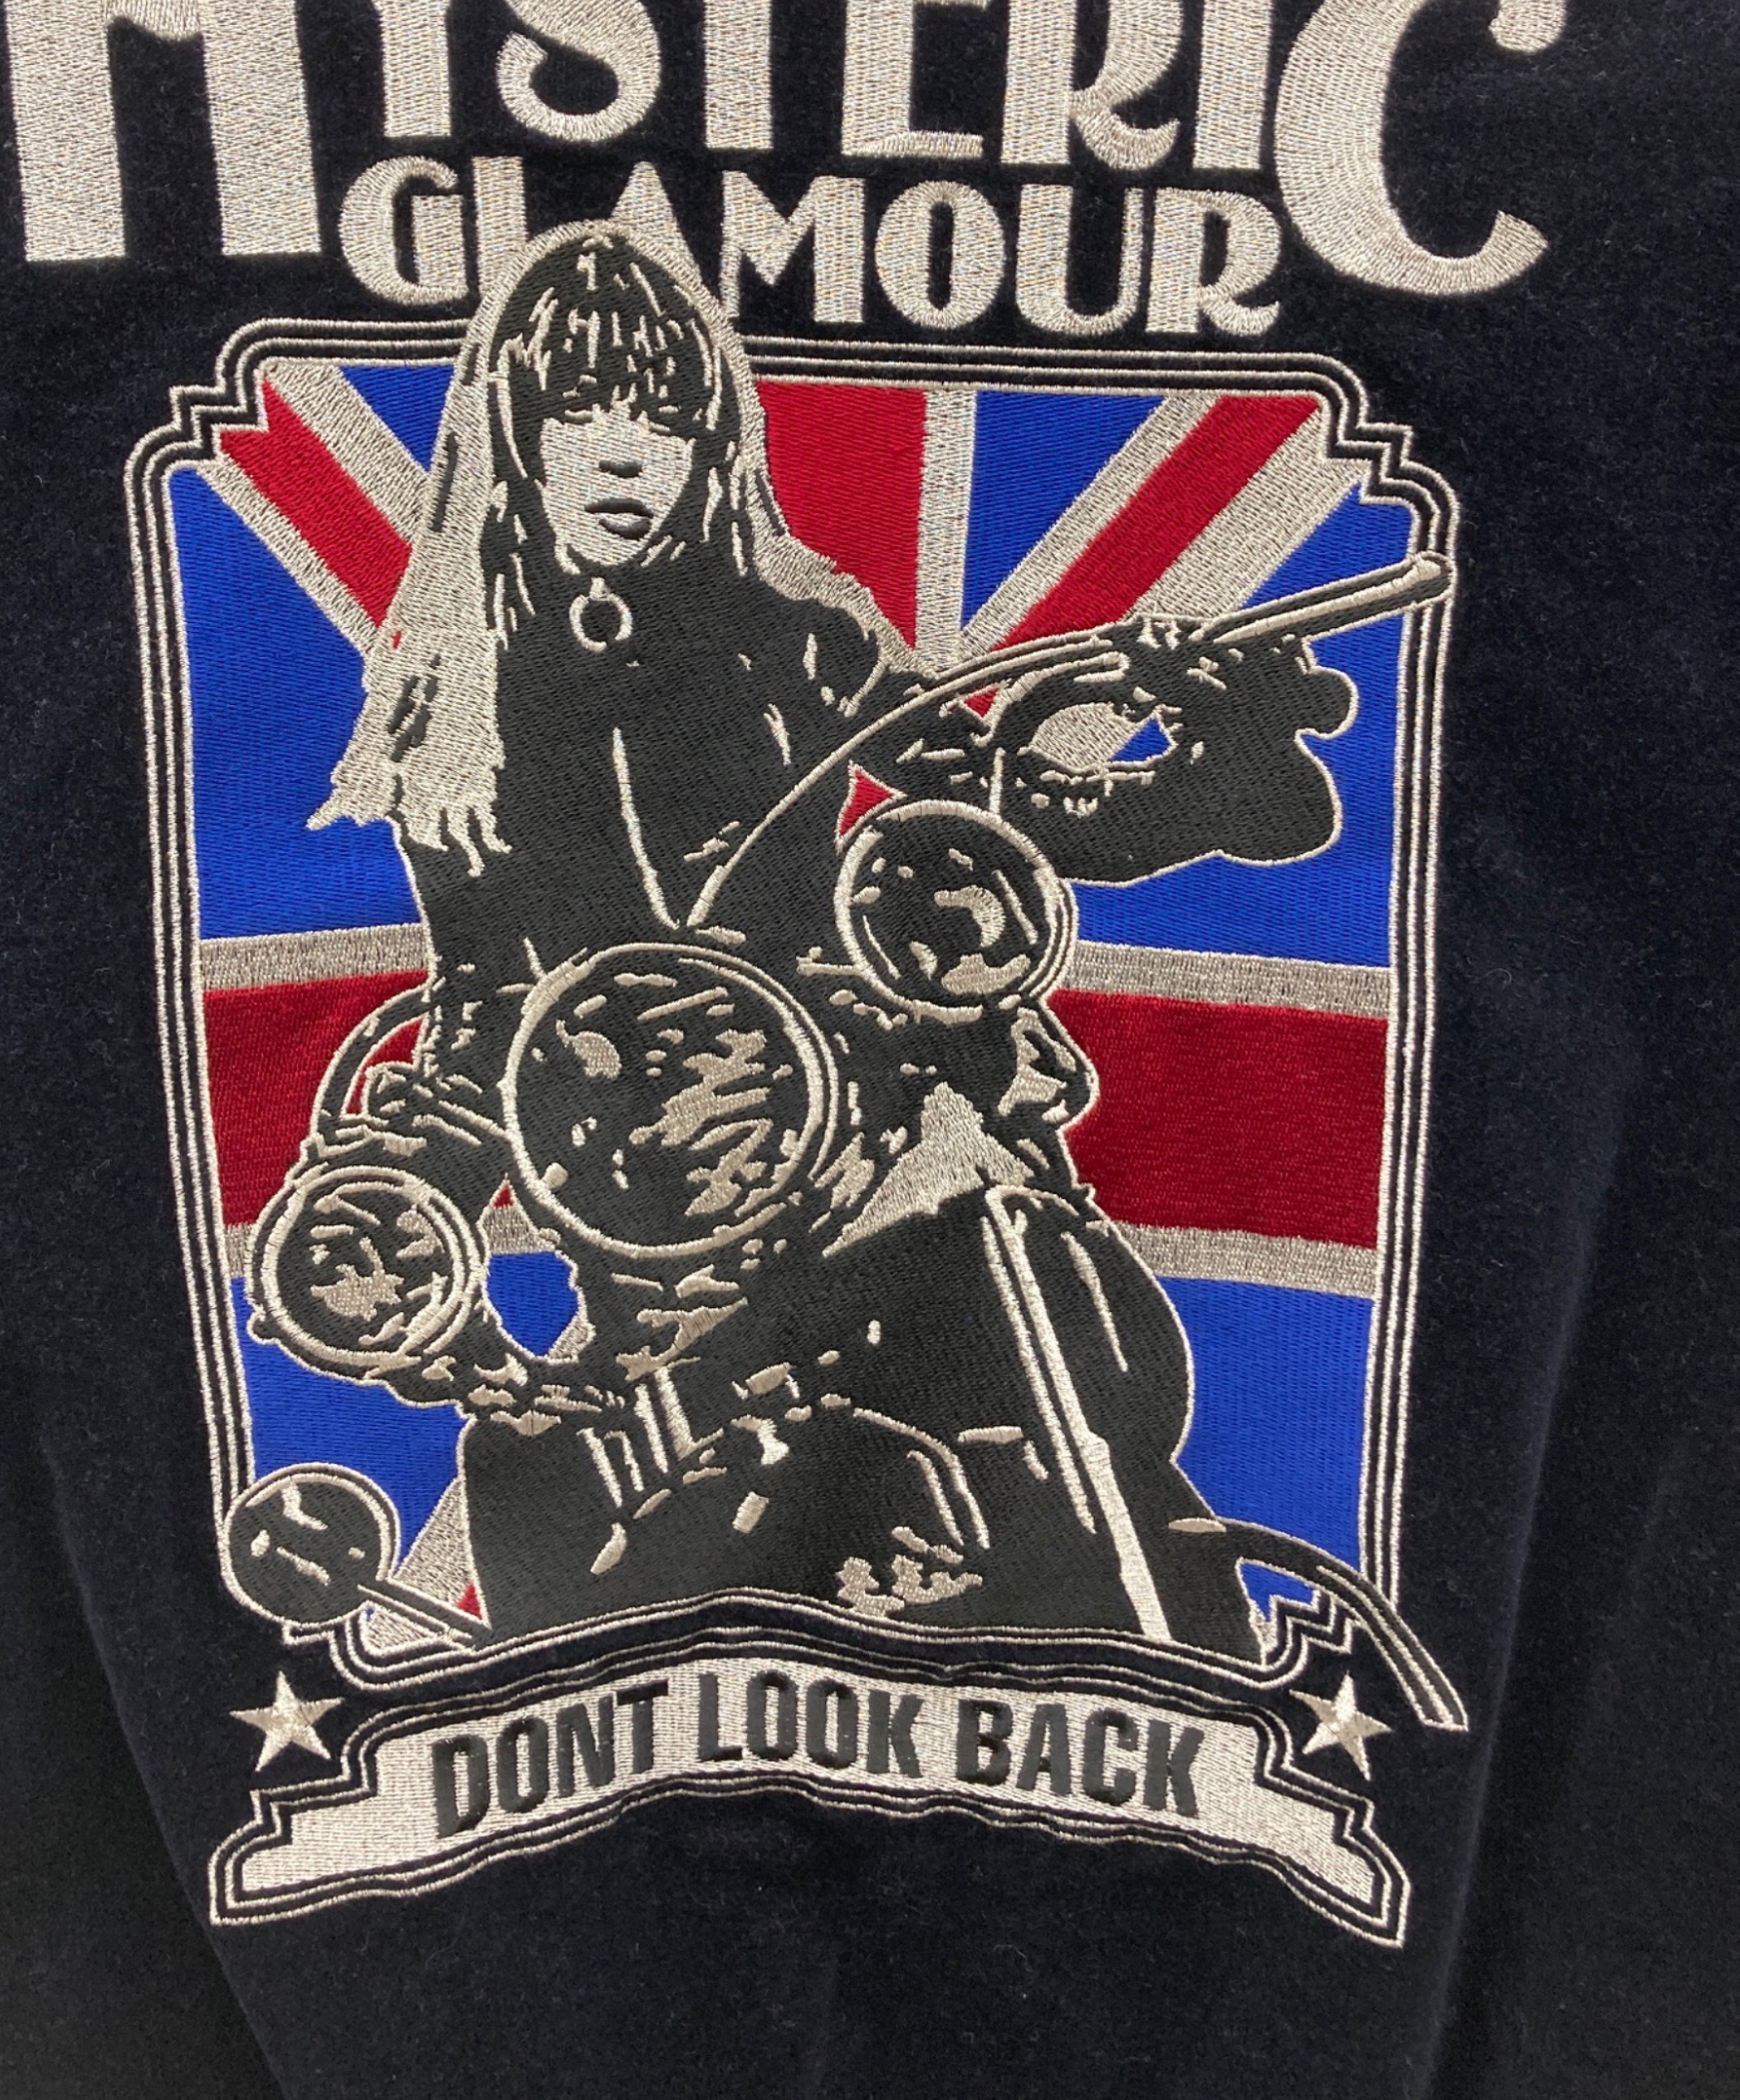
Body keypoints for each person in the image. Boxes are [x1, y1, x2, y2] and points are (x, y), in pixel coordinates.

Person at [251, 222, 1356, 1658]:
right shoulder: (448, 706)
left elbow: (1003, 801)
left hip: (881, 1161)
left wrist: (1227, 752)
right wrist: (387, 1211)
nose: (625, 452)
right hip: (659, 1269)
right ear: (514, 432)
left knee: (1062, 1401)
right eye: (581, 410)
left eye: (661, 413)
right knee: (530, 1491)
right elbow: (482, 1009)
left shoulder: (793, 625)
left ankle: (1172, 1658)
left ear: (710, 432)